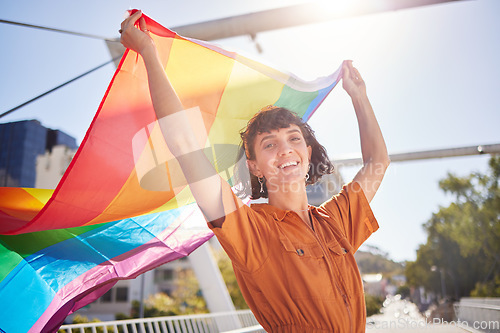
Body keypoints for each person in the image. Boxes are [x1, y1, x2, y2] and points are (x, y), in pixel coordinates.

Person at [120, 10, 390, 333]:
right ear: (254, 166)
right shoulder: (250, 229)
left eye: (294, 139)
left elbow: (378, 163)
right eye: (269, 145)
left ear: (308, 153)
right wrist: (149, 53)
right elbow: (182, 143)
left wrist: (359, 97)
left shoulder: (337, 220)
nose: (286, 149)